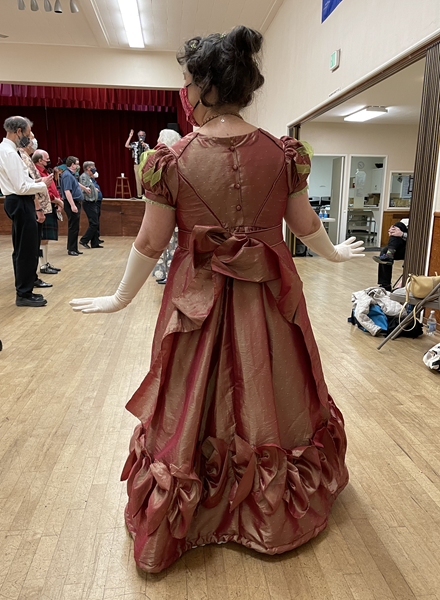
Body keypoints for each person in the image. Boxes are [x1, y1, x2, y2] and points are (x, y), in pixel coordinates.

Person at [71, 26, 364, 573]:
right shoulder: (283, 154)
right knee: (270, 390)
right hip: (270, 303)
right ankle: (267, 508)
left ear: (205, 86)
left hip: (194, 302)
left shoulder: (171, 159)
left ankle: (198, 508)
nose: (184, 92)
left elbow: (152, 240)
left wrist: (119, 296)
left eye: (186, 82)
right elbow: (302, 225)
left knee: (192, 398)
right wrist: (334, 256)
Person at [0, 116, 53, 307]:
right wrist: (41, 186)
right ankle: (23, 293)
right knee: (26, 250)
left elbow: (21, 184)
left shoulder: (8, 150)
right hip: (20, 201)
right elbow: (21, 187)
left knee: (25, 248)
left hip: (18, 200)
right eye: (28, 133)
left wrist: (37, 183)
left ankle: (25, 290)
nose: (30, 138)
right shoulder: (9, 153)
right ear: (19, 132)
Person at [139, 128, 182, 284]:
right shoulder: (161, 159)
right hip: (165, 209)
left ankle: (170, 274)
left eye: (159, 138)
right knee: (164, 244)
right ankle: (164, 273)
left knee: (171, 244)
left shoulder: (173, 161)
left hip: (172, 210)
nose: (157, 141)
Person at [18, 137, 54, 290]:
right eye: (31, 137)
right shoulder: (20, 157)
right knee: (29, 248)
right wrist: (38, 208)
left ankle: (32, 278)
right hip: (31, 206)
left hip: (35, 205)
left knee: (34, 246)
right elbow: (26, 187)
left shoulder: (25, 158)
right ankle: (27, 283)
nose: (34, 140)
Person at [33, 149, 64, 275]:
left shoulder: (46, 172)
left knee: (45, 238)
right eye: (47, 158)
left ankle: (46, 263)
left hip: (51, 206)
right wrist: (57, 201)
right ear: (40, 160)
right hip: (43, 207)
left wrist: (59, 201)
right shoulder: (35, 173)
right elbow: (42, 192)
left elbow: (53, 189)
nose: (49, 160)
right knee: (42, 238)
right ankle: (43, 265)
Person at [60, 156, 91, 256]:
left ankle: (74, 248)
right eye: (77, 164)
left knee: (76, 227)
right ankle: (71, 249)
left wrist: (85, 188)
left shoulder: (71, 174)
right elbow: (67, 191)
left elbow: (76, 184)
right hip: (71, 203)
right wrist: (73, 206)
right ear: (72, 164)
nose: (78, 166)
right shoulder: (67, 175)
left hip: (75, 202)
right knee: (73, 227)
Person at [373, 219, 408, 291]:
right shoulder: (406, 221)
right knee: (384, 250)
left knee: (399, 226)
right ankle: (385, 285)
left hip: (417, 249)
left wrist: (402, 234)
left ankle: (389, 254)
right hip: (404, 247)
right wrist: (392, 232)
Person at [79, 161, 103, 249]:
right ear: (88, 168)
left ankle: (95, 243)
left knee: (95, 222)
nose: (94, 168)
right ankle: (84, 240)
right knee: (94, 223)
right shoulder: (84, 177)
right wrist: (92, 190)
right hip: (88, 202)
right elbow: (84, 189)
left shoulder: (89, 177)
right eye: (93, 166)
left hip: (93, 202)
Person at [125, 129, 149, 198]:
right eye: (140, 135)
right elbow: (126, 145)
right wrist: (130, 136)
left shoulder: (146, 145)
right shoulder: (135, 144)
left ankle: (147, 195)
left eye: (142, 135)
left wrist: (145, 147)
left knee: (145, 180)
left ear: (145, 136)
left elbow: (149, 153)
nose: (141, 137)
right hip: (137, 164)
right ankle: (139, 195)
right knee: (138, 180)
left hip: (144, 164)